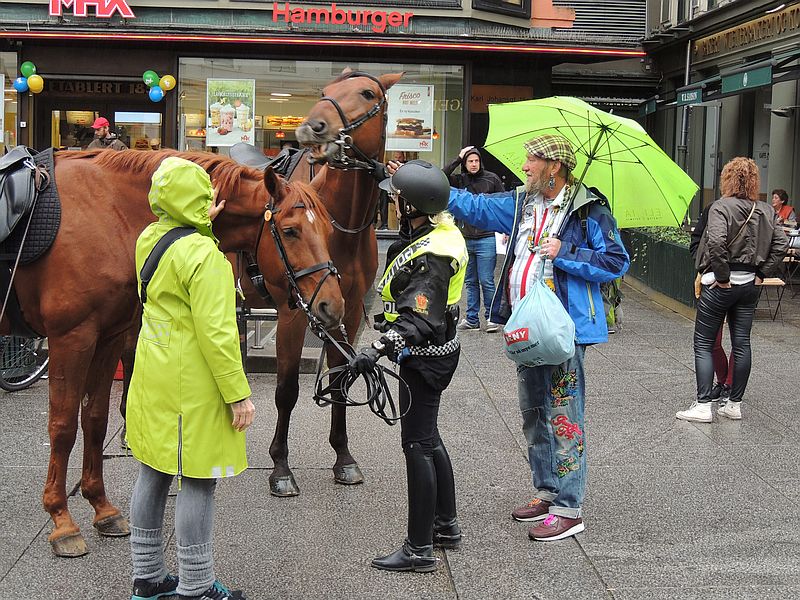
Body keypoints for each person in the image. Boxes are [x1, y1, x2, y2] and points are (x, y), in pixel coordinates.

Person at [445, 134, 629, 541]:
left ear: (555, 167)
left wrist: (565, 250)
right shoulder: (521, 203)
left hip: (566, 332)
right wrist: (438, 190)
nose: (524, 166)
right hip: (528, 330)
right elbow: (475, 206)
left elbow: (616, 262)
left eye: (532, 160)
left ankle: (569, 507)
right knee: (533, 413)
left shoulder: (589, 210)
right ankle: (546, 491)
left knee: (564, 417)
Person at [126, 157, 255, 600]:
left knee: (155, 471)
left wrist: (198, 221)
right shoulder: (206, 256)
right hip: (192, 383)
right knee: (198, 478)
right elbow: (217, 333)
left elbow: (176, 240)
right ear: (199, 201)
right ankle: (196, 587)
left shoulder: (150, 237)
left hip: (153, 372)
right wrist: (238, 394)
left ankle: (147, 579)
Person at [350, 160, 467, 572]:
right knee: (429, 437)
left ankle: (419, 548)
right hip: (433, 354)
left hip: (424, 358)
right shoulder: (436, 233)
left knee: (416, 444)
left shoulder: (434, 254)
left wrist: (377, 348)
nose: (395, 203)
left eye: (399, 198)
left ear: (414, 205)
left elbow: (421, 318)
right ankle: (446, 526)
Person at [677, 157, 788, 423]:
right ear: (754, 183)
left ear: (727, 179)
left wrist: (724, 277)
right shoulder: (766, 210)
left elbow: (715, 241)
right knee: (742, 343)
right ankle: (734, 404)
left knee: (703, 343)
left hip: (720, 284)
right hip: (749, 284)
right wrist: (761, 273)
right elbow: (781, 244)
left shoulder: (720, 207)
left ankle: (704, 406)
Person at [444, 146, 505, 333]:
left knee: (486, 280)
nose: (473, 164)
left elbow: (502, 201)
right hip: (465, 238)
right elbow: (441, 176)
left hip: (486, 237)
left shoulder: (492, 179)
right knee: (470, 281)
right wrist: (457, 158)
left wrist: (505, 227)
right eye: (469, 161)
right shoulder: (460, 180)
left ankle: (491, 317)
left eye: (476, 161)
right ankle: (472, 318)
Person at [690, 204, 733, 409]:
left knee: (739, 341)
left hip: (739, 280)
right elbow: (699, 241)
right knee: (713, 341)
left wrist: (760, 273)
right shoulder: (714, 209)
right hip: (715, 279)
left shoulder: (758, 210)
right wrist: (704, 267)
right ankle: (723, 381)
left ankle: (730, 385)